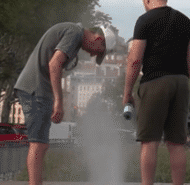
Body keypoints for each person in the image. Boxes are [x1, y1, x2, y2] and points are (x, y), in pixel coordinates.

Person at [14, 22, 116, 185]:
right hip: (35, 89)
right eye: (97, 51)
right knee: (38, 144)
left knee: (41, 144)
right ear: (98, 39)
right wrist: (59, 102)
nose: (92, 54)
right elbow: (54, 64)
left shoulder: (73, 33)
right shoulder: (74, 33)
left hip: (38, 89)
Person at [122, 0, 190, 185]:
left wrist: (127, 91)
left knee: (149, 141)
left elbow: (135, 59)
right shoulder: (187, 22)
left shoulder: (145, 21)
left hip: (155, 82)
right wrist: (181, 80)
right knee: (177, 143)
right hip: (181, 82)